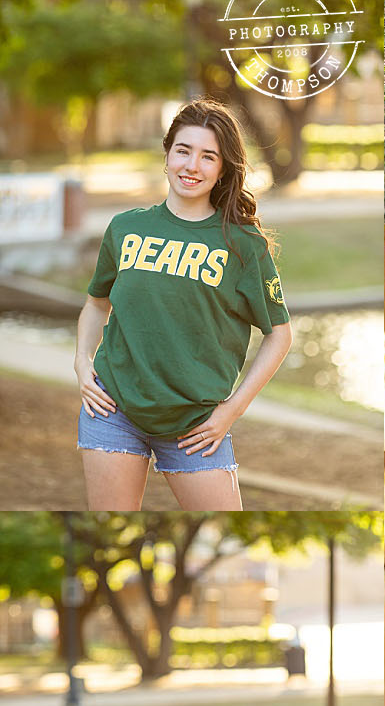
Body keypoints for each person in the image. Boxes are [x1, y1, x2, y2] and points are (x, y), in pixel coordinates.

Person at [74, 98, 292, 515]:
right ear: (167, 154)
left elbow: (279, 333)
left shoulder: (243, 246)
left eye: (208, 156)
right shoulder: (125, 228)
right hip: (112, 410)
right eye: (183, 150)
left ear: (224, 168)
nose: (192, 166)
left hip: (197, 426)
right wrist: (82, 364)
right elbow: (96, 304)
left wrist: (232, 410)